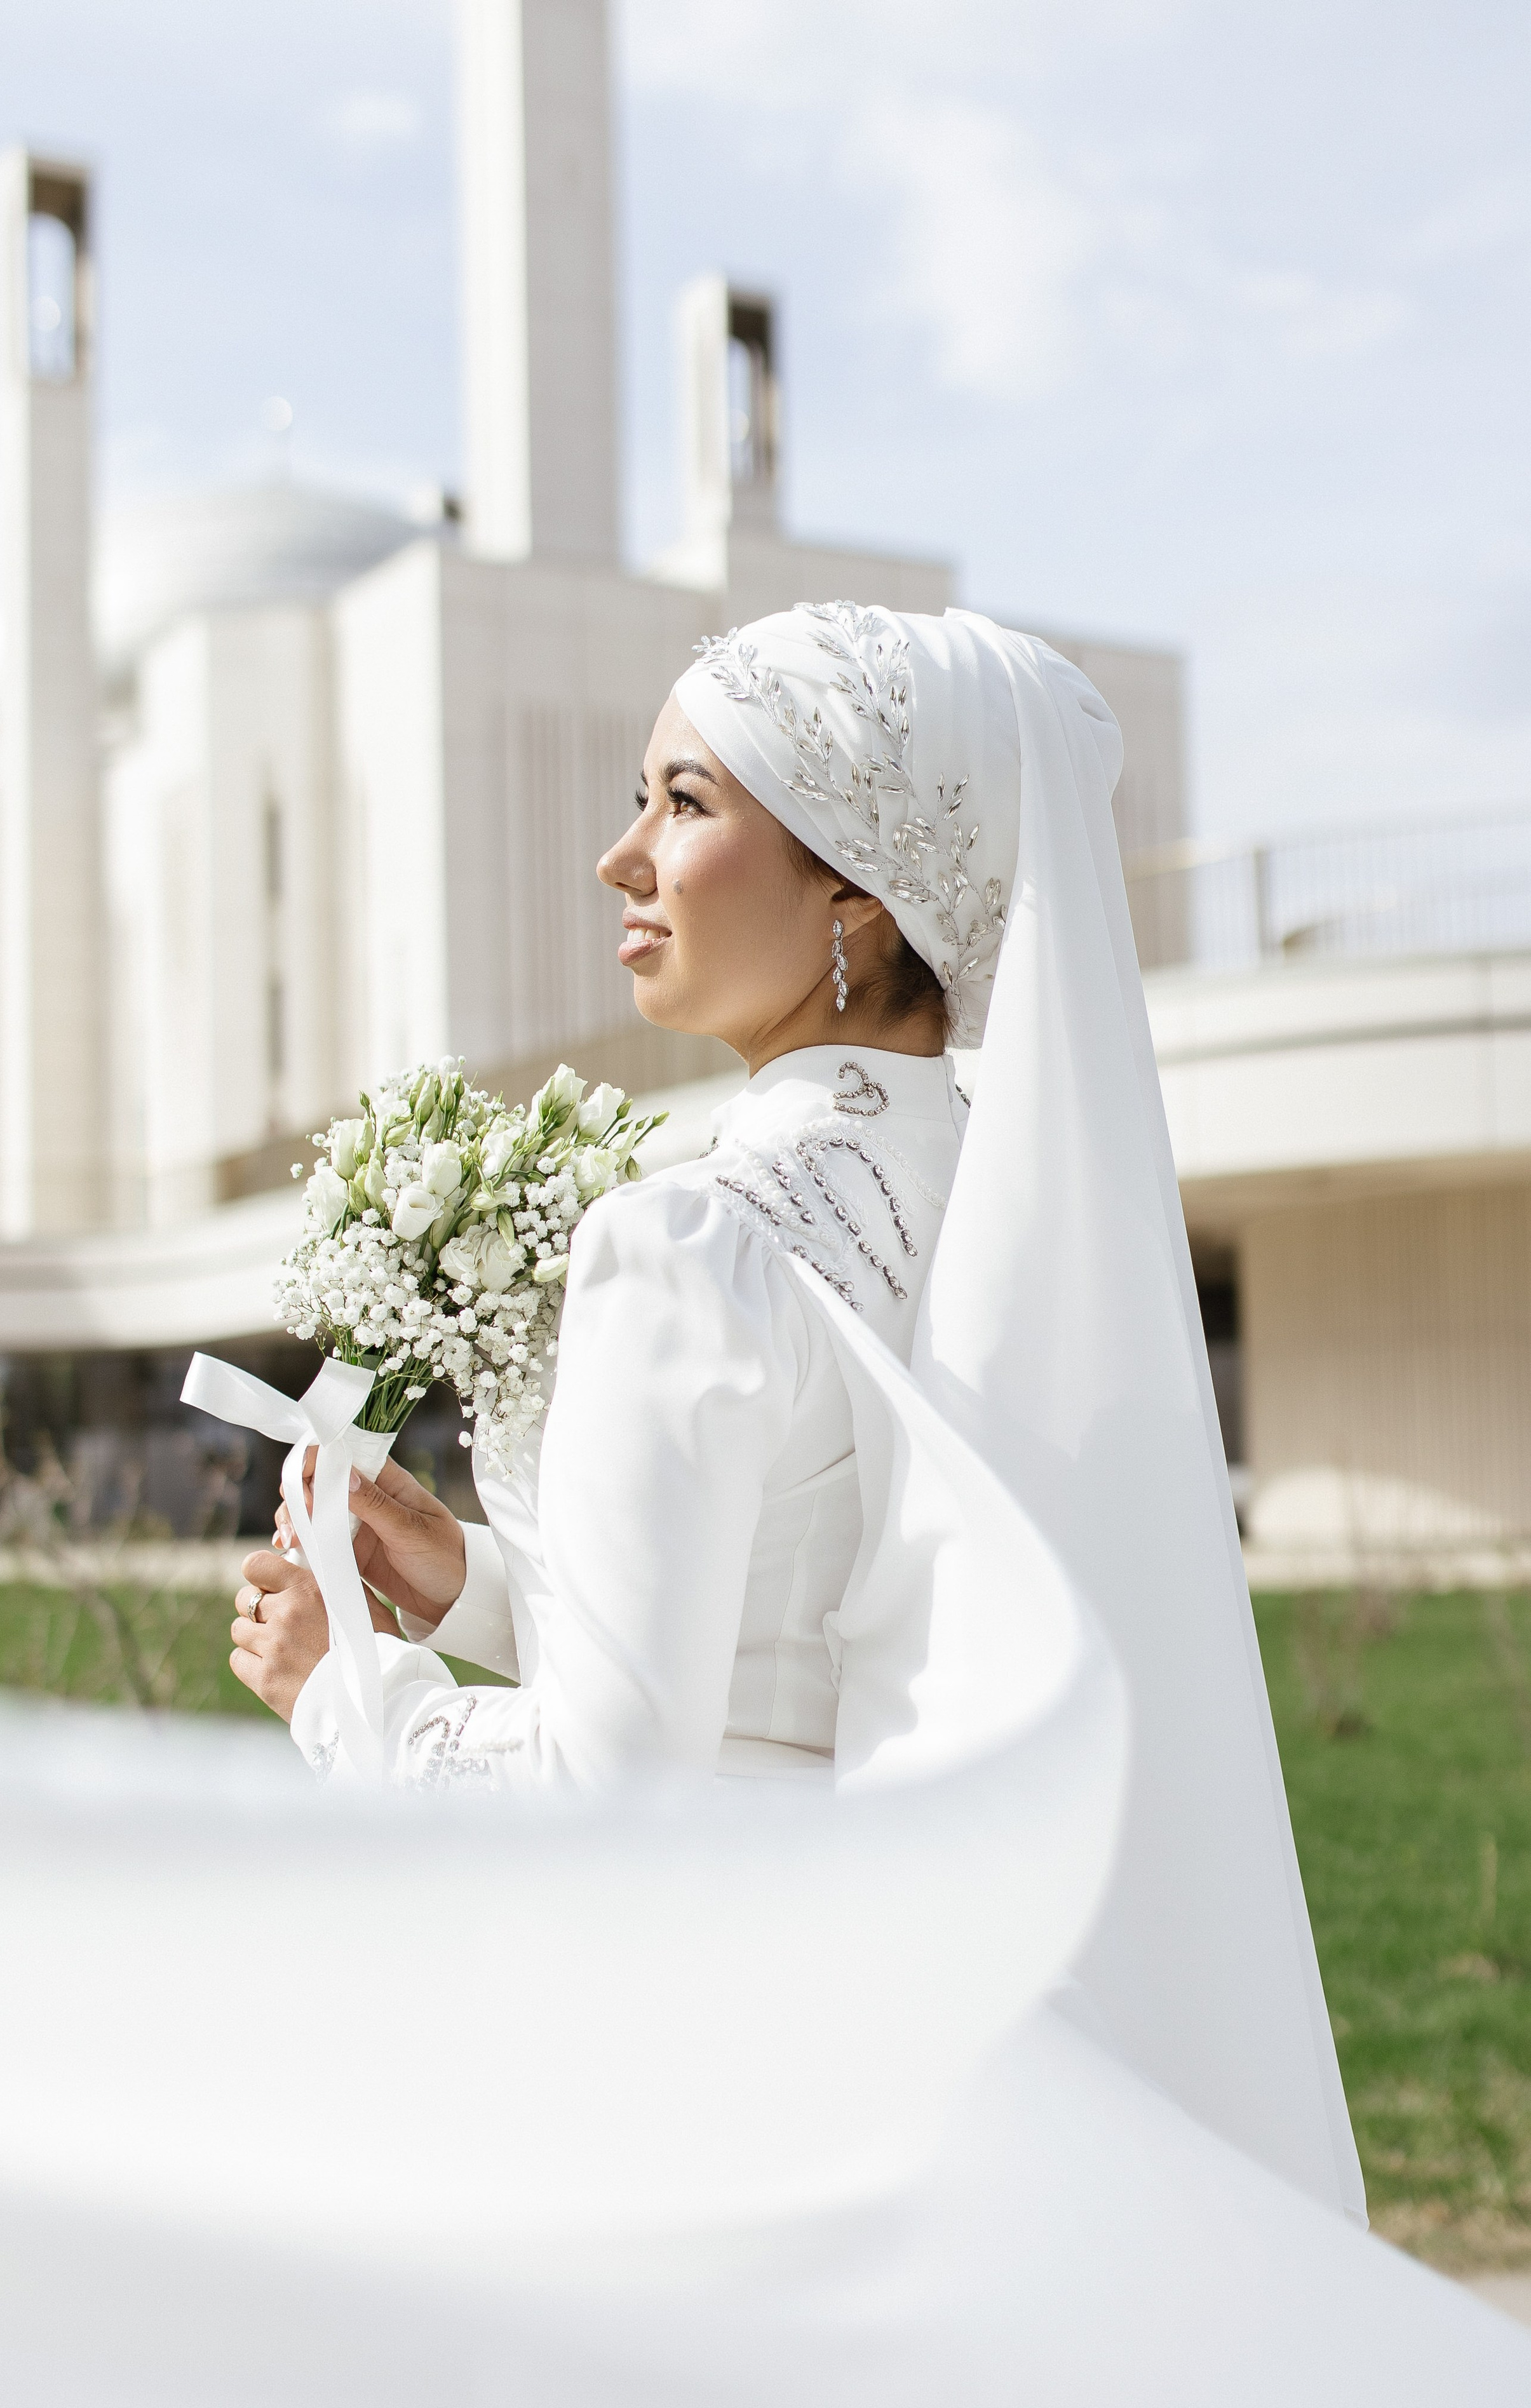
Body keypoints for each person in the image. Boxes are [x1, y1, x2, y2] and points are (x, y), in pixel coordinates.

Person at [234, 601, 1358, 2223]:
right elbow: (840, 1612)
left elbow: (601, 1811)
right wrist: (475, 1584)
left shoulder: (680, 1246)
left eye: (684, 804)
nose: (619, 858)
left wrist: (355, 1692)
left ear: (847, 883)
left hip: (708, 2062)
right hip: (944, 2039)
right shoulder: (1011, 1207)